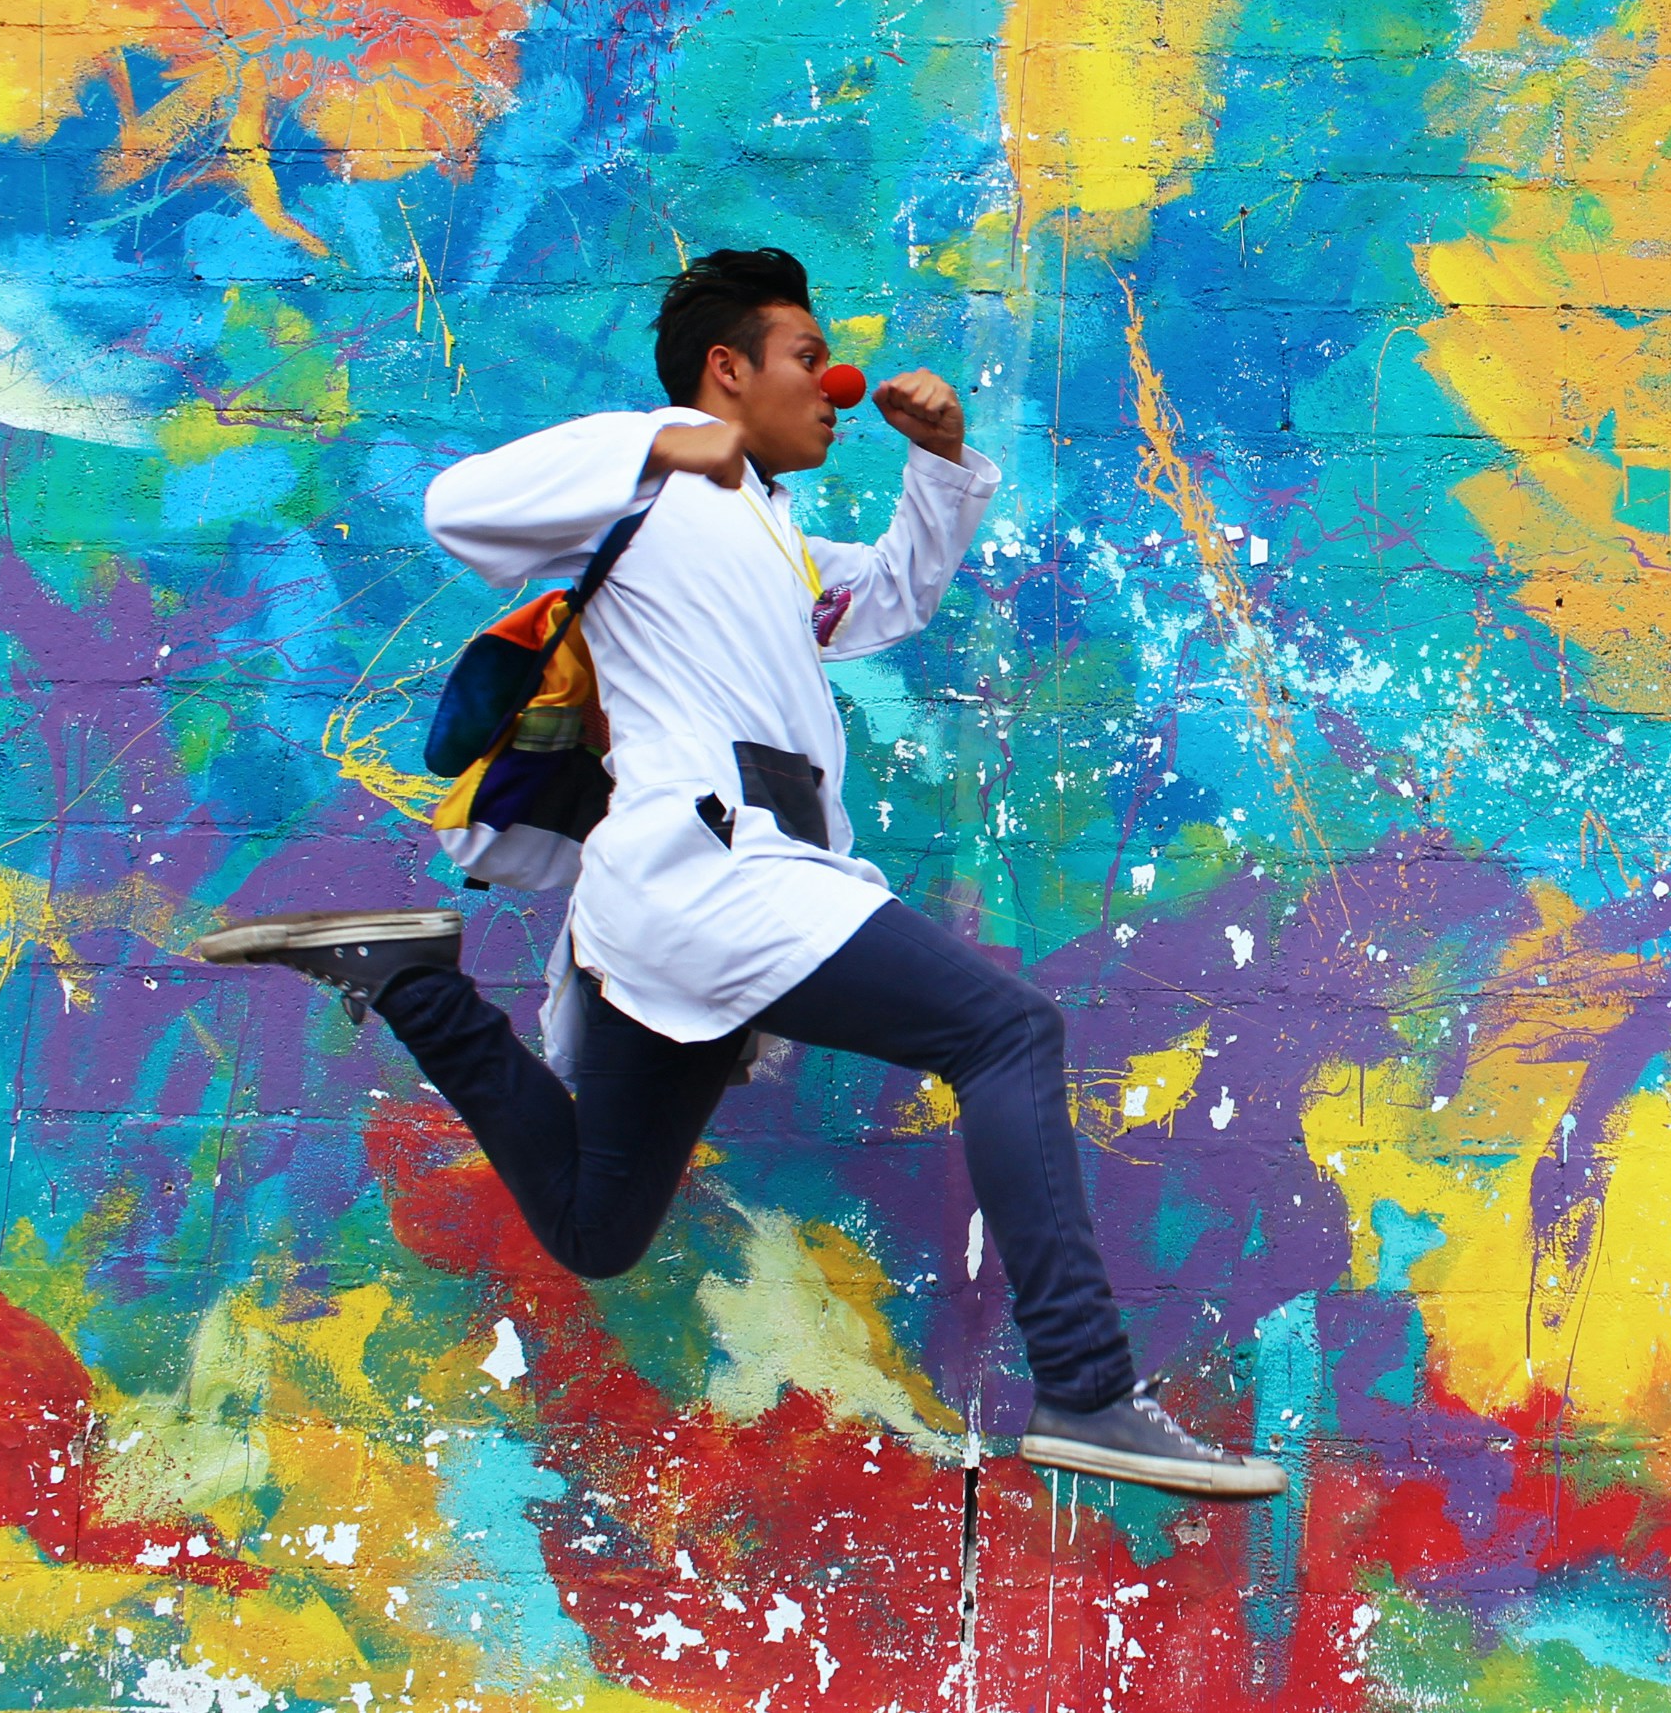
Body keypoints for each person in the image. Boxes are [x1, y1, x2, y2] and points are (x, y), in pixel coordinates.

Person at [189, 248, 1282, 1501]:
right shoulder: (649, 491)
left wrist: (937, 464)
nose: (833, 387)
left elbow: (889, 598)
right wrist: (662, 441)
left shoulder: (763, 531)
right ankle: (1087, 1386)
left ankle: (412, 982)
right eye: (807, 361)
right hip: (715, 872)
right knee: (1007, 1033)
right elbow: (457, 508)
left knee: (600, 1227)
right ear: (727, 371)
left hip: (695, 904)